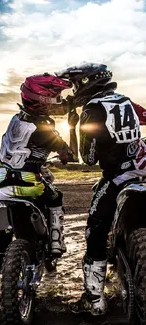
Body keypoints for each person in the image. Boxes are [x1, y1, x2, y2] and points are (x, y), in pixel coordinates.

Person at [56, 62, 146, 316]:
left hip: (116, 176)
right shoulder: (125, 101)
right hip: (140, 169)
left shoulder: (93, 110)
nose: (73, 90)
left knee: (95, 231)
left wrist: (74, 126)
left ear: (87, 82)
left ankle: (94, 301)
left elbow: (89, 158)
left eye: (75, 84)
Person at [0, 73, 74, 269]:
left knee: (0, 232)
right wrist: (68, 144)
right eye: (54, 96)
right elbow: (65, 153)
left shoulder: (15, 120)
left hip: (2, 184)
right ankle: (56, 243)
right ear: (42, 99)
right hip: (29, 183)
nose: (57, 101)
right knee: (55, 197)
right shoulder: (46, 127)